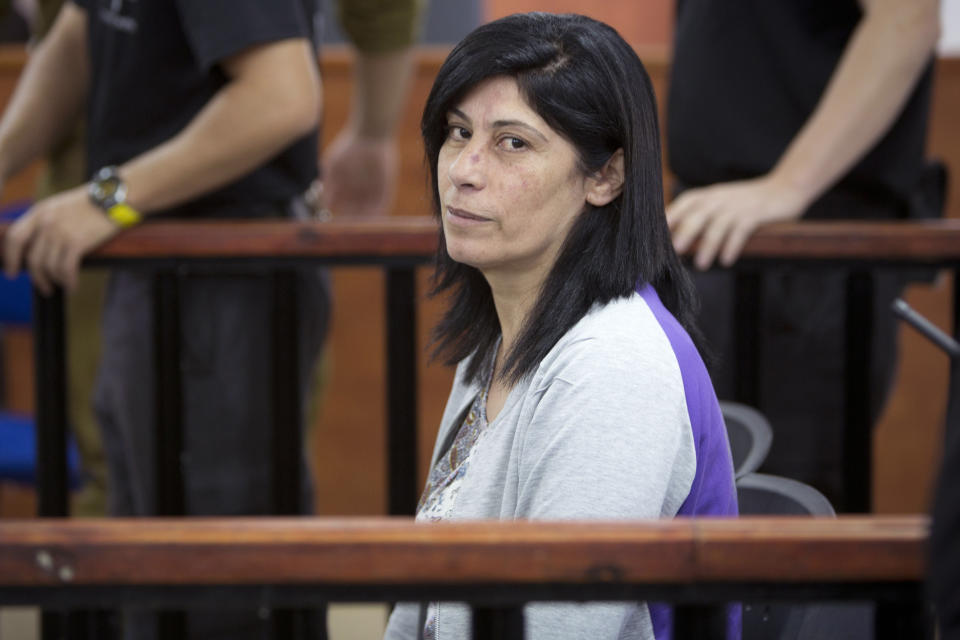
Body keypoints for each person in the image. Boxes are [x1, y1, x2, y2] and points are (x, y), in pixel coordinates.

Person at [0, 0, 422, 638]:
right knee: (148, 548)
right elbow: (84, 30)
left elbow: (281, 94)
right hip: (155, 261)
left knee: (222, 572)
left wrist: (107, 199)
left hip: (223, 277)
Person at [382, 13, 739, 640]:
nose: (463, 169)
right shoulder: (498, 336)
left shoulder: (610, 368)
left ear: (605, 176)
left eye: (512, 143)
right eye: (458, 132)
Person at [665, 0, 944, 508]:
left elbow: (907, 18)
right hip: (719, 234)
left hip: (802, 254)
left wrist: (789, 185)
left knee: (783, 516)